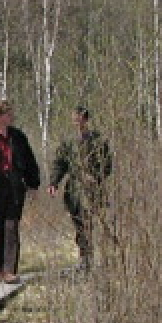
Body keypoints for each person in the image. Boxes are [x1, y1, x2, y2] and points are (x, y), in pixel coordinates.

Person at [0, 98, 39, 284]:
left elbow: (29, 162)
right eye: (7, 113)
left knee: (11, 227)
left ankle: (10, 270)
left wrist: (33, 185)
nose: (11, 116)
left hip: (14, 186)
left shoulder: (18, 137)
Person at [46, 105, 113, 270]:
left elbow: (107, 165)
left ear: (85, 119)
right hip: (74, 190)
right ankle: (84, 256)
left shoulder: (98, 141)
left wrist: (96, 176)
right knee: (79, 223)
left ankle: (93, 257)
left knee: (90, 222)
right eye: (74, 119)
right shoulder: (68, 142)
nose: (76, 122)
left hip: (93, 190)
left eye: (79, 118)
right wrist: (54, 183)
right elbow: (59, 164)